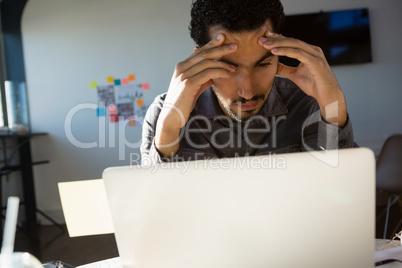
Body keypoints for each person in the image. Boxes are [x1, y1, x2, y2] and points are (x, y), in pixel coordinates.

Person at [141, 0, 354, 164]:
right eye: (229, 68)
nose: (248, 92)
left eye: (263, 65)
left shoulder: (307, 104)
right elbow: (154, 209)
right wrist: (168, 132)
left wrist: (333, 105)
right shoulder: (164, 113)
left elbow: (339, 193)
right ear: (200, 61)